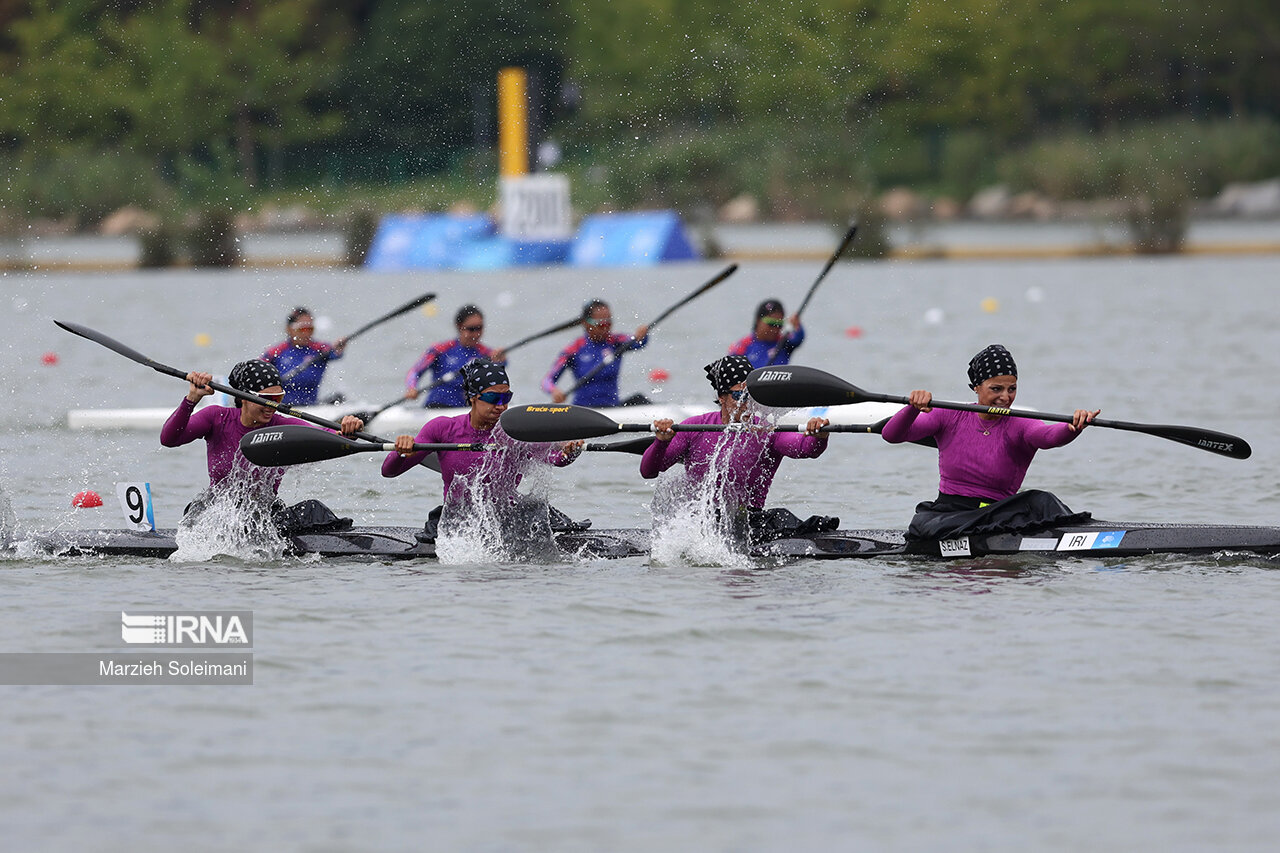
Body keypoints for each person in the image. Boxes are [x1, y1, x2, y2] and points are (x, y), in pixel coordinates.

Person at [879, 343, 1100, 541]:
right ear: (977, 386)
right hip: (948, 516)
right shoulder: (948, 415)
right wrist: (912, 408)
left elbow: (1048, 436)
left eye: (1012, 388)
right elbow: (892, 435)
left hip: (999, 514)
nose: (1006, 397)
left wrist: (1072, 427)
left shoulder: (1021, 423)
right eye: (996, 389)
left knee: (1042, 500)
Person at [384, 359, 583, 542]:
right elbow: (389, 471)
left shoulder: (515, 432)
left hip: (507, 518)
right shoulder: (442, 428)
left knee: (537, 508)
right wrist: (401, 451)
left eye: (506, 397)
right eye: (493, 398)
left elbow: (556, 458)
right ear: (473, 397)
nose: (501, 406)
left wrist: (570, 451)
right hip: (459, 518)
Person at [641, 355, 835, 542]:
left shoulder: (766, 430)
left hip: (749, 523)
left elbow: (805, 449)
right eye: (738, 395)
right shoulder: (695, 427)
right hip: (700, 523)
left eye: (750, 394)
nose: (745, 402)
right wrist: (661, 442)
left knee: (783, 518)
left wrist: (818, 436)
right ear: (721, 397)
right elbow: (648, 471)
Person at [160, 359, 364, 533]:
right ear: (242, 396)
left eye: (278, 399)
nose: (272, 407)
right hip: (219, 509)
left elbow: (327, 437)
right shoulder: (216, 418)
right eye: (266, 399)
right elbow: (169, 439)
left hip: (265, 513)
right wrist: (191, 400)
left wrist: (346, 432)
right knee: (194, 510)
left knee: (314, 510)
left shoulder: (284, 425)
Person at [542, 300, 650, 407]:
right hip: (584, 410)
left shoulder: (616, 341)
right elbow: (547, 381)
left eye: (608, 323)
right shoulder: (574, 348)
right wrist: (554, 391)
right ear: (586, 323)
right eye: (601, 324)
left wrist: (643, 334)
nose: (606, 328)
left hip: (613, 408)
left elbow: (639, 343)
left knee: (640, 399)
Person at [404, 305, 507, 409]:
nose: (476, 334)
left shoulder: (487, 354)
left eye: (479, 328)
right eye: (471, 329)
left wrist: (500, 362)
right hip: (437, 407)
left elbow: (497, 380)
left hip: (467, 410)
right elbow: (415, 371)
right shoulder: (440, 349)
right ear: (459, 327)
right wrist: (412, 388)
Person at [261, 307, 348, 406]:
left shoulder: (320, 349)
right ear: (289, 329)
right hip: (282, 407)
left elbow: (336, 353)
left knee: (339, 398)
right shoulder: (276, 352)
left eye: (310, 329)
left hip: (311, 407)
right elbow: (257, 371)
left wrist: (340, 346)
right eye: (302, 329)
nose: (306, 334)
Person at [729, 298, 804, 368]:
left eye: (779, 324)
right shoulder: (743, 345)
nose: (775, 329)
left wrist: (797, 324)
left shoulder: (784, 343)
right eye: (771, 324)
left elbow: (798, 338)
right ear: (758, 321)